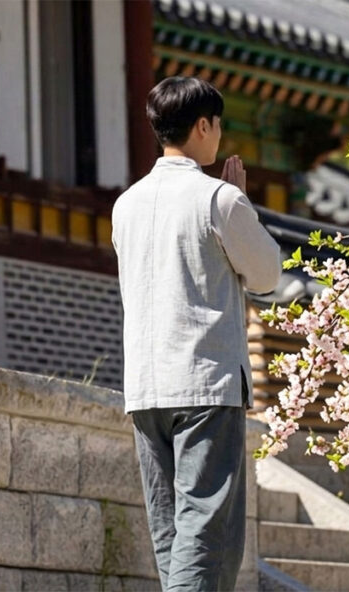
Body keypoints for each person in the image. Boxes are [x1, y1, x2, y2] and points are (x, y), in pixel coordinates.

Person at [111, 76, 282, 591]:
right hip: (205, 382)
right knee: (207, 534)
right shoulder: (219, 199)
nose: (219, 134)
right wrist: (241, 203)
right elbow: (267, 275)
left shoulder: (125, 204)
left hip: (146, 388)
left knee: (173, 536)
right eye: (218, 124)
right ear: (203, 125)